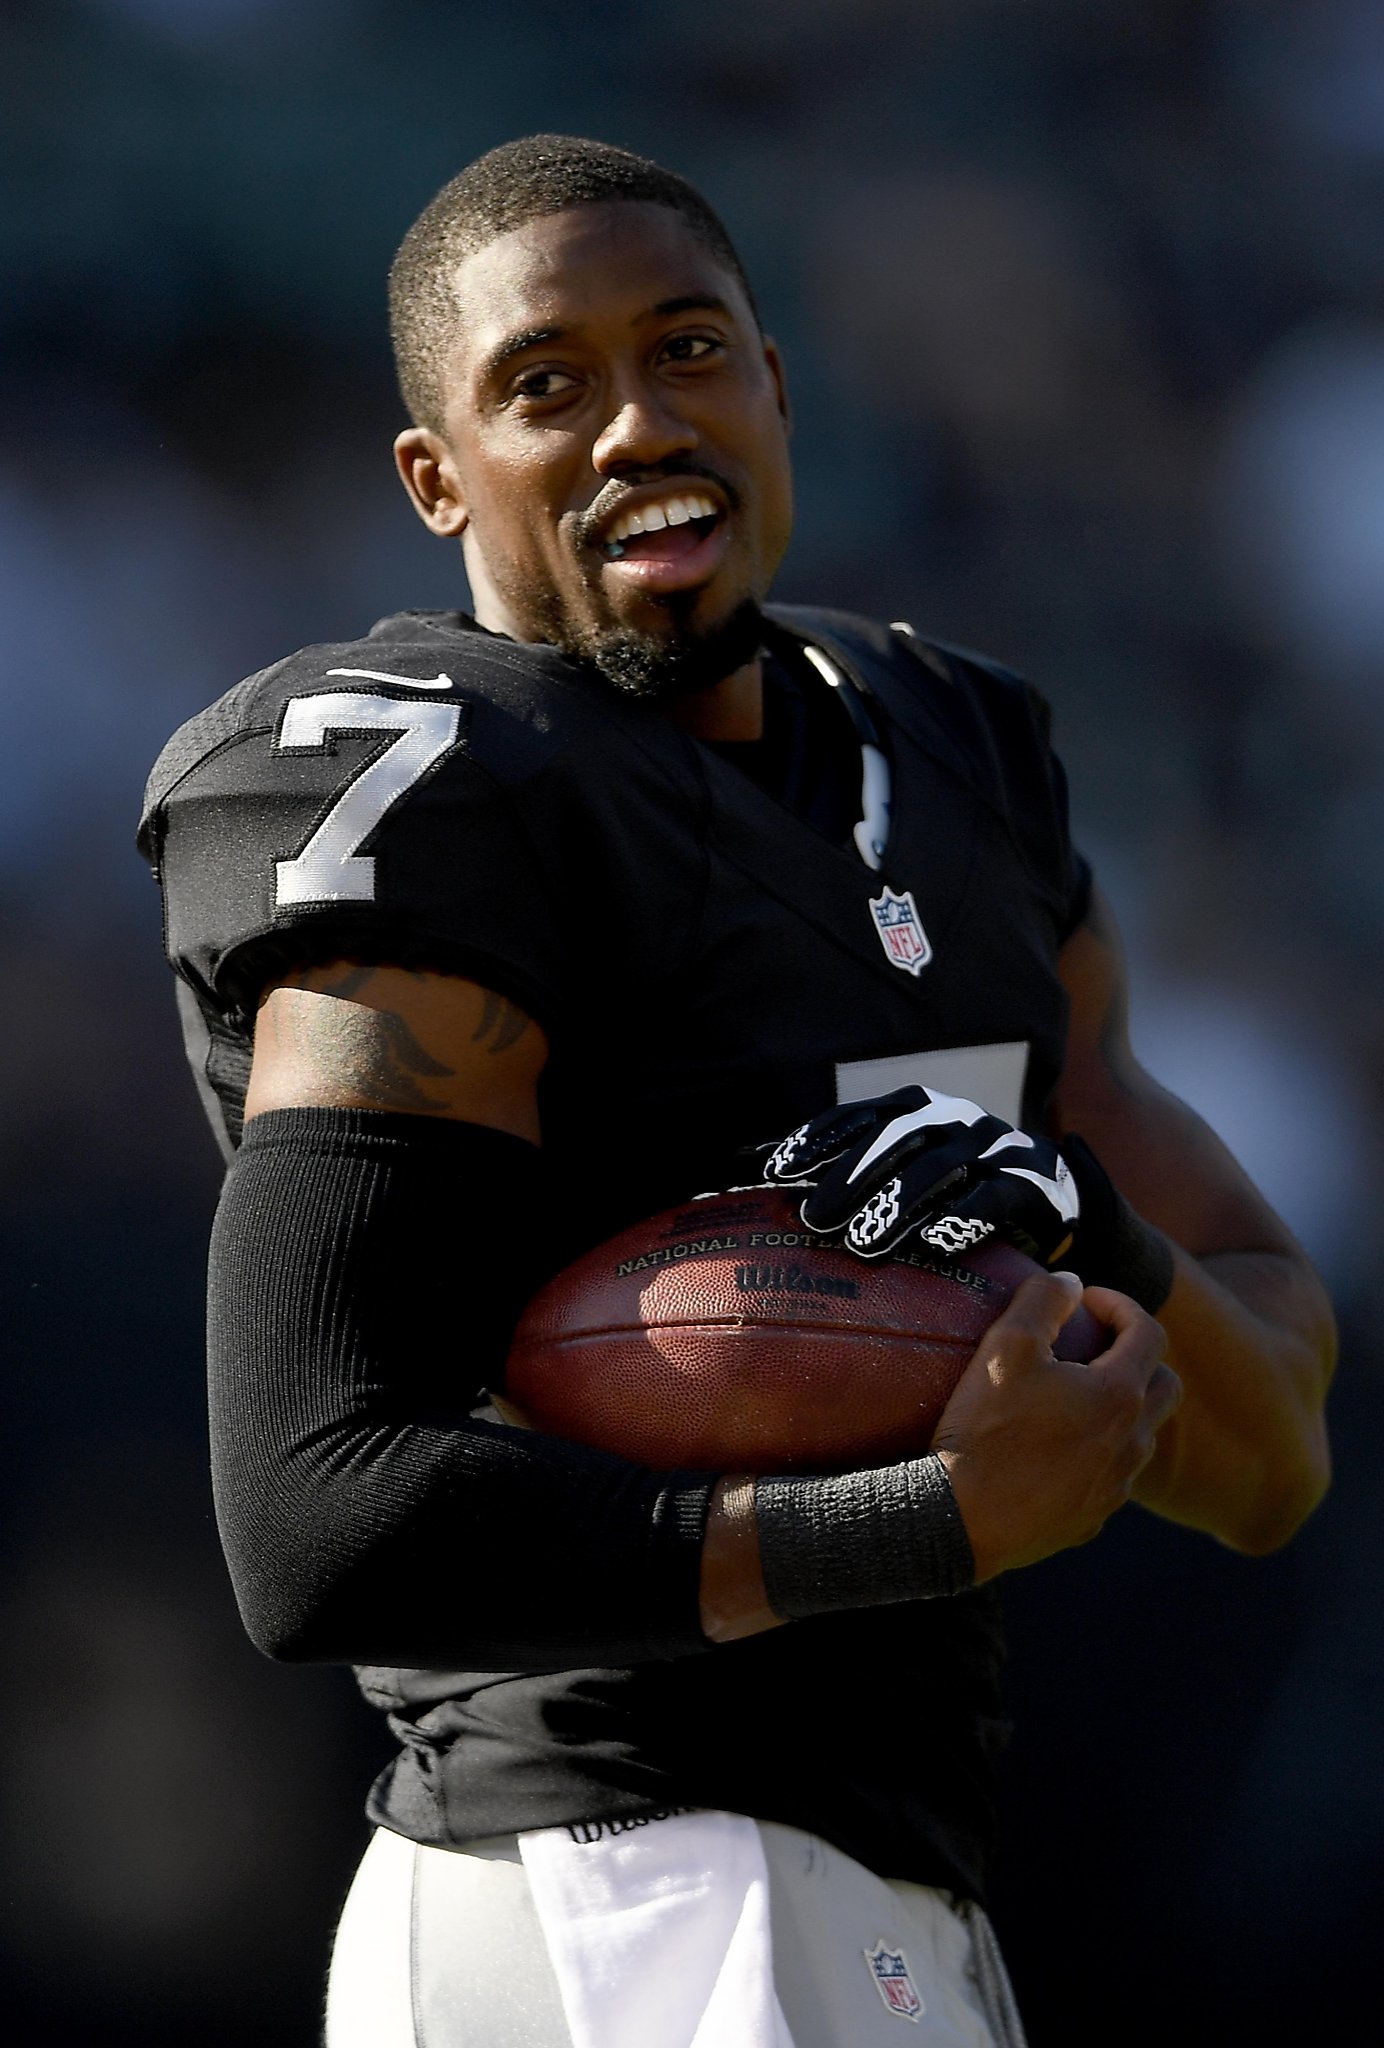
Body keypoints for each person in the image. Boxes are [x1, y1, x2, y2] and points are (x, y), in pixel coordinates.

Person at [137, 136, 1334, 2048]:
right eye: (547, 385)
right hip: (614, 1872)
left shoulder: (956, 752)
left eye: (688, 350)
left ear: (777, 383)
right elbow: (317, 1516)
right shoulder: (426, 787)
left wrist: (1060, 1220)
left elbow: (1269, 1459)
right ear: (437, 480)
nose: (633, 424)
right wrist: (926, 1518)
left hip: (881, 1872)